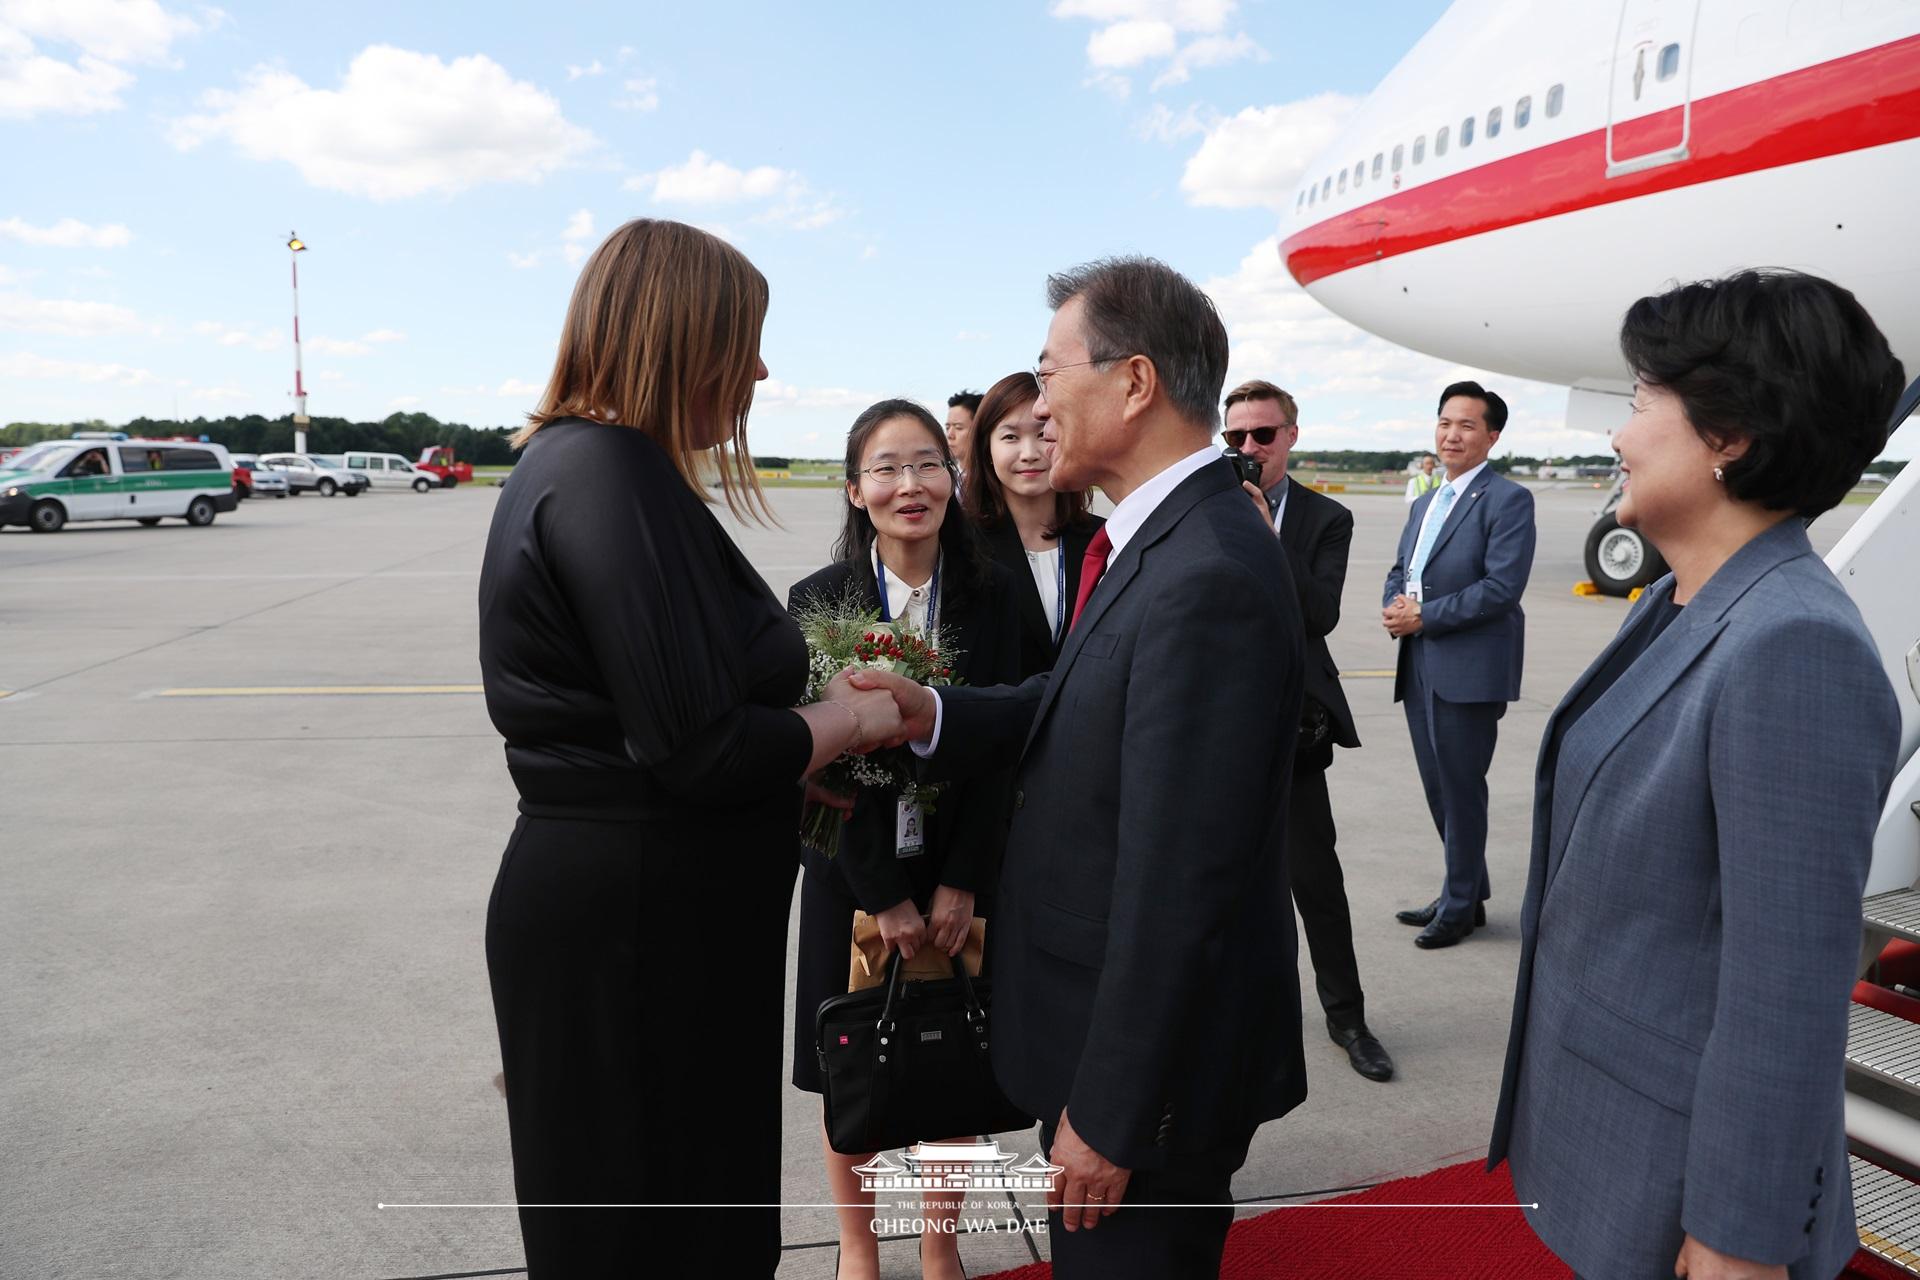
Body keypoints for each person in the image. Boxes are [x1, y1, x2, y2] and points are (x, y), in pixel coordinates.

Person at [856, 256, 1308, 1279]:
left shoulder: (1209, 573)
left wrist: (1109, 1112)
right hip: (1112, 1054)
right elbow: (1080, 707)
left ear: (1136, 382)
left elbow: (1178, 880)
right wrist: (928, 710)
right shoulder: (1163, 538)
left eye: (1051, 371)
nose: (1040, 401)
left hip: (1143, 1092)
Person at [476, 219, 903, 1278]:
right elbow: (697, 750)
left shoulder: (592, 466)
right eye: (745, 338)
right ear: (685, 335)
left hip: (652, 920)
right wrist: (846, 721)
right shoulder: (608, 471)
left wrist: (792, 751)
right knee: (654, 1236)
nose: (759, 367)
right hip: (636, 928)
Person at [1489, 269, 1905, 1280]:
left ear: (1729, 435)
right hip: (1617, 1126)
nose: (1619, 432)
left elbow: (1786, 985)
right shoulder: (1682, 598)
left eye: (1639, 402)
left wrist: (1740, 1232)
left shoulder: (1794, 643)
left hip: (1688, 1181)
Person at [788, 399, 1025, 1280]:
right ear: (855, 490)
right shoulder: (818, 601)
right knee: (843, 1060)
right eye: (885, 468)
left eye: (927, 463)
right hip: (850, 870)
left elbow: (1007, 746)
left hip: (959, 863)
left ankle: (938, 1242)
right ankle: (858, 1248)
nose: (908, 485)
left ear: (953, 478)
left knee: (952, 1056)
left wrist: (963, 879)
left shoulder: (994, 595)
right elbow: (812, 765)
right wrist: (879, 892)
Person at [1224, 379, 1392, 1083]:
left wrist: (1264, 527)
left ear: (1291, 436)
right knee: (1212, 884)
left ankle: (1346, 1017)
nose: (1249, 449)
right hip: (1217, 725)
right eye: (1235, 437)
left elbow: (1318, 613)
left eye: (1263, 435)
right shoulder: (1205, 510)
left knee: (1314, 879)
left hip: (1292, 727)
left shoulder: (1325, 519)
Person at [1382, 381, 1536, 949]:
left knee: (1460, 786)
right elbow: (1403, 568)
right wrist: (1395, 604)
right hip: (1420, 660)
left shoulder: (1507, 499)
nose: (1452, 434)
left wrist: (1426, 616)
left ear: (1492, 437)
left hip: (1467, 665)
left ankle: (1459, 904)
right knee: (1438, 786)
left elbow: (1502, 587)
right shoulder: (1426, 501)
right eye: (1445, 422)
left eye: (1467, 425)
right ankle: (1464, 892)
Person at [963, 370, 1105, 675]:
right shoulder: (959, 544)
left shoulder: (1105, 540)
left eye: (1042, 434)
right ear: (986, 449)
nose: (1029, 454)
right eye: (1010, 437)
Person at [946, 390, 982, 492]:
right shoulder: (946, 480)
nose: (949, 435)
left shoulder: (993, 483)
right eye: (947, 427)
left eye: (958, 427)